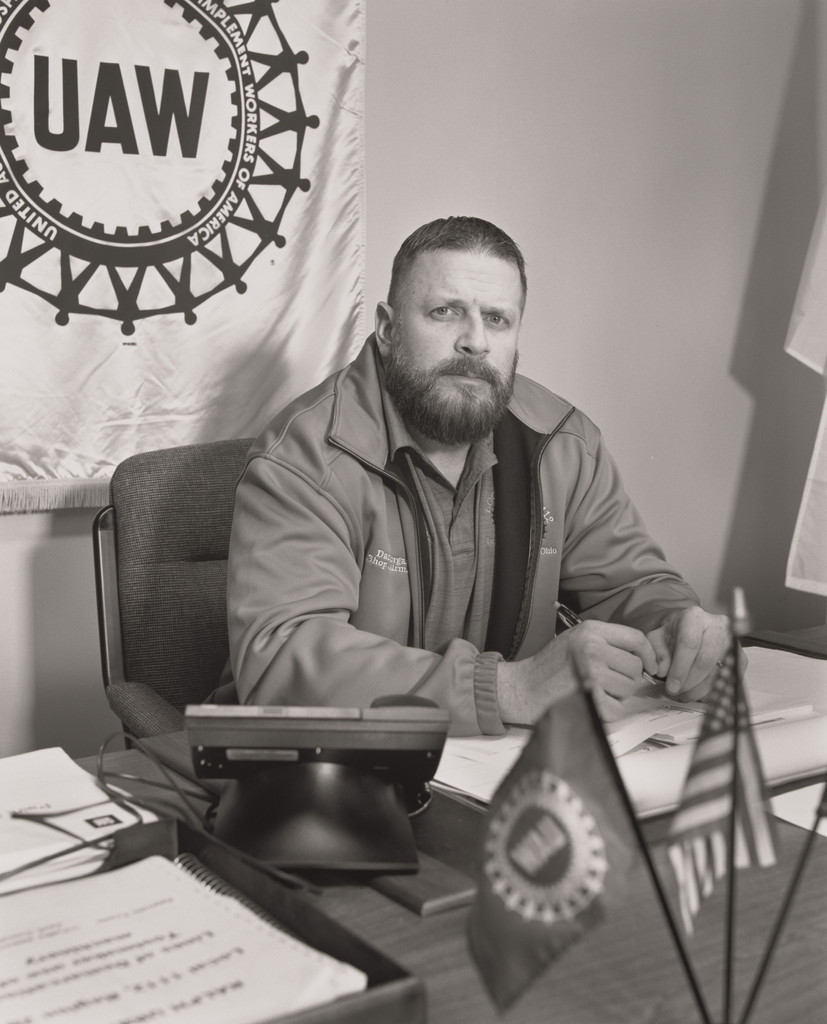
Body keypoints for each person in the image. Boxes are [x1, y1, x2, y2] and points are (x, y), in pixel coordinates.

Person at [225, 216, 729, 735]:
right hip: (329, 771)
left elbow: (634, 586)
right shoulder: (304, 458)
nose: (475, 342)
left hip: (496, 768)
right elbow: (282, 659)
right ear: (387, 327)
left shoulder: (564, 444)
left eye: (497, 319)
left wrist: (678, 630)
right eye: (445, 313)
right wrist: (509, 688)